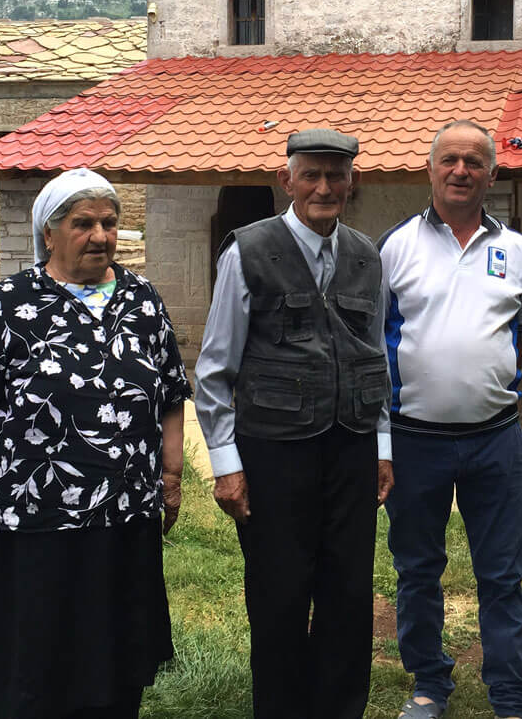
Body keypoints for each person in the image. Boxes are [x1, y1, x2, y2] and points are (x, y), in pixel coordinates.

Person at [0, 168, 191, 719]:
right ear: (48, 233)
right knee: (33, 666)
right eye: (83, 224)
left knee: (115, 661)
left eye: (109, 222)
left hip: (124, 518)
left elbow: (170, 393)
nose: (100, 235)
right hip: (34, 520)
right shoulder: (10, 305)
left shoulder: (142, 301)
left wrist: (170, 477)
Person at [194, 128, 393, 719]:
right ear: (288, 180)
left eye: (337, 176)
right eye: (312, 174)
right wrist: (226, 465)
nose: (325, 187)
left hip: (352, 447)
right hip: (273, 452)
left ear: (353, 182)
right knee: (280, 596)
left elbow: (374, 355)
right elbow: (214, 368)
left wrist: (382, 446)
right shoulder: (248, 251)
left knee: (350, 593)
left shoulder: (366, 255)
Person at [379, 119, 522, 719]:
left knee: (502, 574)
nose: (460, 171)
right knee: (418, 570)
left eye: (474, 162)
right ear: (429, 170)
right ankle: (428, 684)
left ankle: (509, 694)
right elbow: (375, 343)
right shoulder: (395, 247)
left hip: (494, 440)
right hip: (414, 439)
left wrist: (483, 375)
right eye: (449, 160)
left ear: (492, 174)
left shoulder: (517, 251)